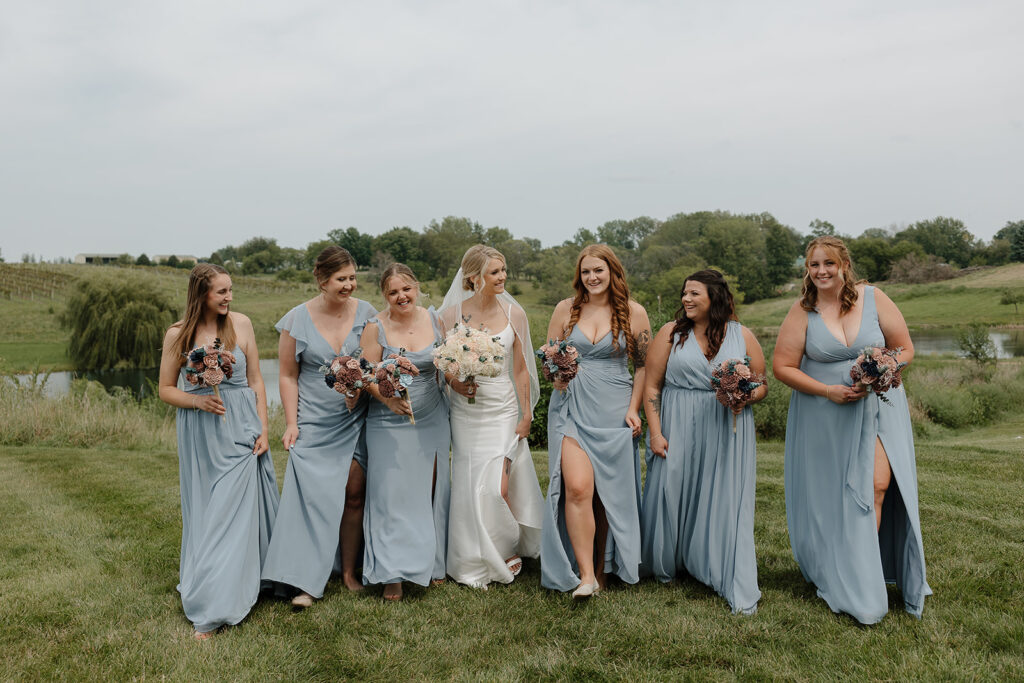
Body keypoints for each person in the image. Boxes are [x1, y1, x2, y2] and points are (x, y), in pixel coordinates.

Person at [773, 236, 930, 624]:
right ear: (807, 270)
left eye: (829, 264)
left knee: (875, 487)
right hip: (823, 415)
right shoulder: (803, 310)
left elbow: (905, 348)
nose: (822, 271)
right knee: (831, 497)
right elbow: (783, 367)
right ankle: (837, 571)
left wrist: (884, 370)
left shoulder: (874, 298)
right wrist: (828, 390)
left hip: (879, 409)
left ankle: (865, 576)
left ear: (844, 265)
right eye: (814, 265)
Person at [158, 263, 279, 640]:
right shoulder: (178, 334)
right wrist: (197, 403)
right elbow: (165, 388)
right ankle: (215, 588)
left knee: (235, 508)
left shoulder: (241, 324)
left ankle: (227, 599)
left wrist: (264, 426)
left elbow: (256, 379)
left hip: (242, 426)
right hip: (202, 430)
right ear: (201, 295)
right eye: (221, 292)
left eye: (230, 290)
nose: (229, 297)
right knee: (212, 512)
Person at [640, 269, 766, 614]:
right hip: (678, 421)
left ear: (715, 296)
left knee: (721, 494)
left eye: (694, 293)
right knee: (673, 490)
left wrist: (744, 396)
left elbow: (762, 384)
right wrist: (656, 432)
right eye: (684, 293)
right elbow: (652, 386)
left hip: (726, 425)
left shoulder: (743, 336)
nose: (686, 299)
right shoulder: (671, 334)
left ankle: (716, 564)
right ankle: (670, 563)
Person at [261, 246, 377, 607]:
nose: (349, 285)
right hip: (312, 421)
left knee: (354, 493)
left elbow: (373, 366)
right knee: (311, 499)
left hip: (355, 417)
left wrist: (361, 387)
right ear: (321, 280)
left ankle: (348, 572)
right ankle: (305, 582)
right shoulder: (296, 320)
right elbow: (287, 375)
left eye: (352, 277)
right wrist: (291, 423)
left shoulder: (368, 314)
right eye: (341, 279)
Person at [540, 244, 651, 597]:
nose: (592, 278)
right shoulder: (565, 309)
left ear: (613, 272)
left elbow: (643, 366)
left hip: (615, 409)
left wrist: (635, 410)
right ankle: (585, 575)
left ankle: (603, 568)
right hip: (571, 406)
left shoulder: (634, 313)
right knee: (577, 488)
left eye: (598, 271)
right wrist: (555, 377)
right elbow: (549, 360)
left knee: (606, 495)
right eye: (586, 272)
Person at [439, 245, 544, 588]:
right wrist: (456, 382)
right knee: (470, 482)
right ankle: (471, 555)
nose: (502, 278)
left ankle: (507, 548)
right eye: (495, 272)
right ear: (473, 277)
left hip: (502, 409)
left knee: (498, 486)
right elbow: (444, 368)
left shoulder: (515, 314)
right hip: (466, 413)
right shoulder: (450, 315)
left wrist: (526, 414)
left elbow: (522, 370)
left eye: (503, 271)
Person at [360, 263, 451, 601]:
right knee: (391, 494)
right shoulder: (375, 327)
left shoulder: (434, 319)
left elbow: (444, 365)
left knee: (429, 491)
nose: (401, 296)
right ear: (385, 296)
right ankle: (392, 574)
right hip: (388, 422)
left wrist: (464, 380)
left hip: (433, 418)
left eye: (406, 289)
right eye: (393, 292)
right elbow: (365, 374)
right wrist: (387, 399)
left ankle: (429, 563)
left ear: (416, 287)